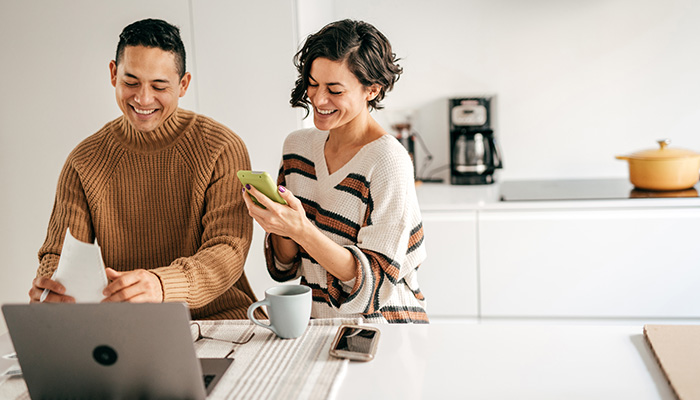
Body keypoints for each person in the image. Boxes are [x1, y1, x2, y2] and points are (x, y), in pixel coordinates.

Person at [28, 18, 262, 320]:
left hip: (218, 321)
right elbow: (60, 255)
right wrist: (53, 289)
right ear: (113, 74)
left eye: (159, 86)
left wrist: (161, 286)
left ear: (183, 84)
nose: (143, 98)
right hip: (127, 328)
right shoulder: (84, 161)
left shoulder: (221, 148)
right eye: (131, 82)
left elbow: (227, 251)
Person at [242, 19, 428, 323]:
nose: (317, 99)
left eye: (334, 89)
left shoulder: (387, 161)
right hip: (318, 326)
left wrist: (302, 230)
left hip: (385, 330)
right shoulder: (297, 147)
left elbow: (374, 287)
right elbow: (287, 264)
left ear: (372, 90)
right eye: (313, 84)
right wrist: (279, 223)